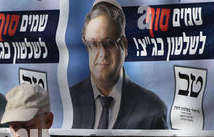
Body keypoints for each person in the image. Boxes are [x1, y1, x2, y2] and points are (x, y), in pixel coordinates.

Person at [69, 0, 167, 129]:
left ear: (124, 46)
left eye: (109, 43)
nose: (102, 53)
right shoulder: (67, 101)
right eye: (93, 44)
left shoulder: (152, 107)